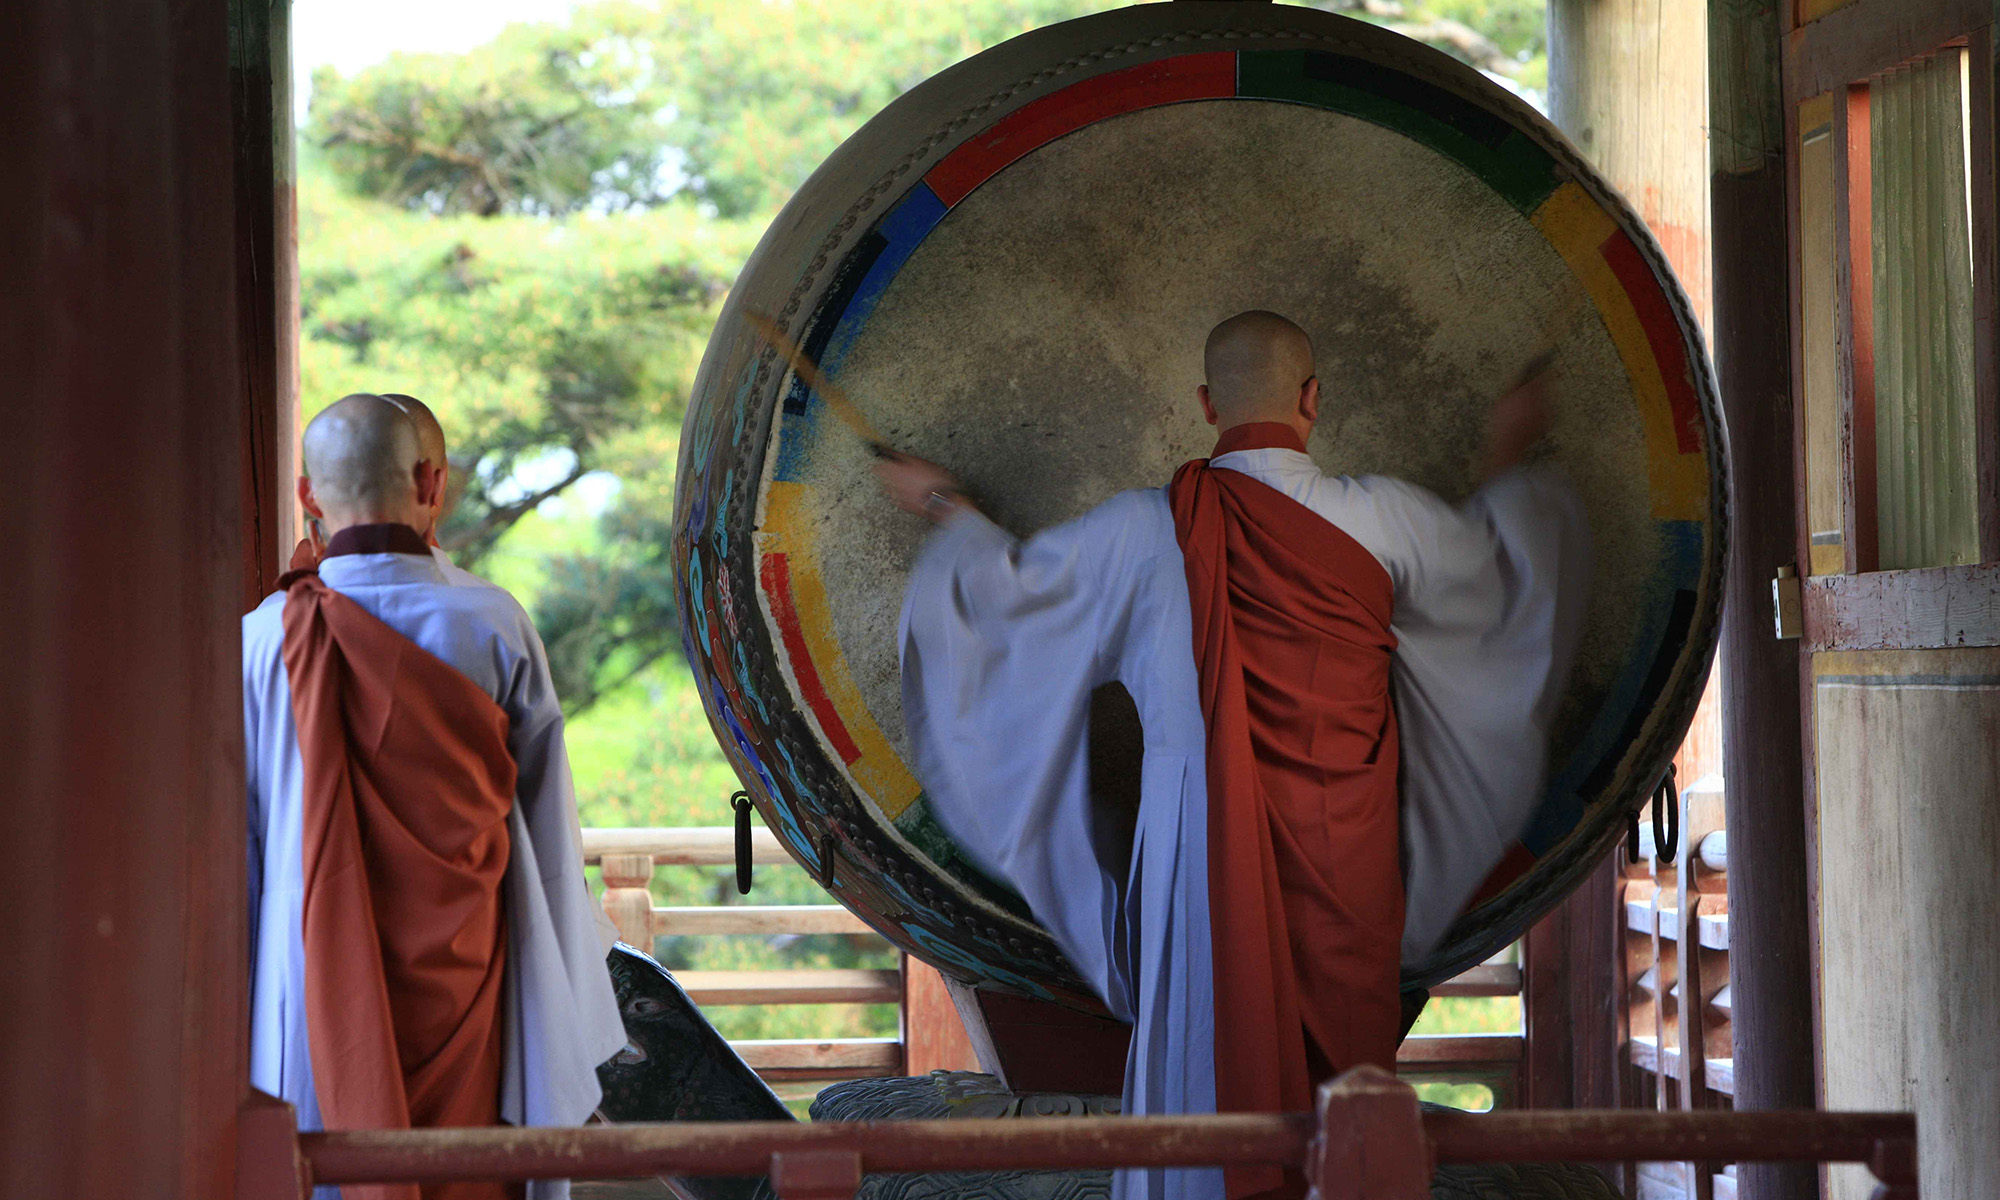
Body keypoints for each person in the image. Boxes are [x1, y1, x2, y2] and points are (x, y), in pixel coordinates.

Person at [881, 311, 1588, 1200]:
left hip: (1197, 859)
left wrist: (943, 503)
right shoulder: (1385, 519)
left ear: (1208, 404)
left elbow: (1004, 597)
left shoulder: (1144, 531)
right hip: (1347, 860)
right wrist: (1508, 456)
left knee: (1203, 1066)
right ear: (1313, 400)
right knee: (1347, 1104)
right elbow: (1498, 579)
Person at [245, 393, 625, 1200]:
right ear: (432, 481)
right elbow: (549, 837)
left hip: (310, 979)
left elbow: (239, 840)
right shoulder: (491, 624)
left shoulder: (261, 639)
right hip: (472, 986)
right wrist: (568, 1015)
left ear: (309, 497)